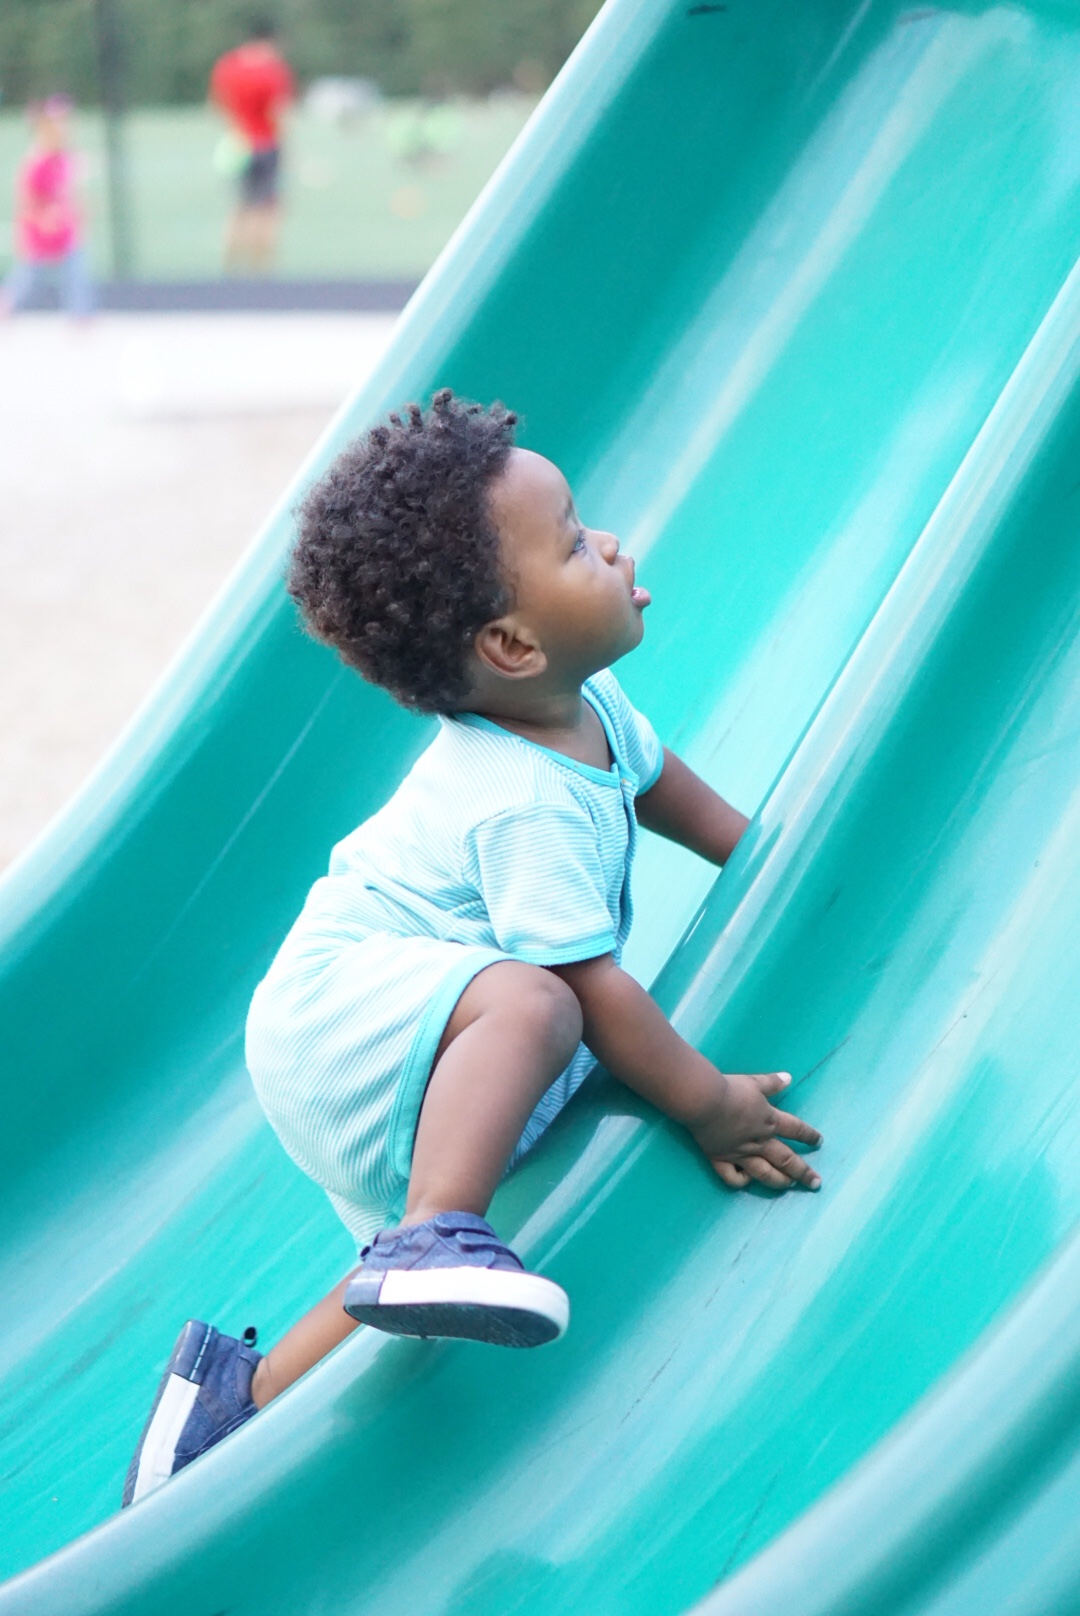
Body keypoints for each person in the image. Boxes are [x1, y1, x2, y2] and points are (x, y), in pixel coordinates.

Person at [122, 391, 823, 1506]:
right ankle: (432, 1234)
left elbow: (666, 791)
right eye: (575, 543)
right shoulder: (517, 799)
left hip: (424, 1039)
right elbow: (592, 990)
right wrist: (708, 1105)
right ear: (512, 644)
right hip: (337, 1018)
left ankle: (225, 1411)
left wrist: (803, 862)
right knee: (543, 1006)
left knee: (420, 1266)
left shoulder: (587, 704)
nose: (612, 544)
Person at [209, 17, 294, 273]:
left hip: (238, 146)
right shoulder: (273, 70)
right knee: (267, 211)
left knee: (240, 208)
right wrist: (288, 150)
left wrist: (236, 132)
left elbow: (217, 105)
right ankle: (261, 274)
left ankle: (230, 271)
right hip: (266, 145)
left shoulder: (227, 65)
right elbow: (278, 113)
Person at [0, 96, 93, 320]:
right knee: (29, 277)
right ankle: (6, 307)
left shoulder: (63, 158)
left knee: (75, 271)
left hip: (64, 228)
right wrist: (44, 217)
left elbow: (70, 190)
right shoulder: (37, 162)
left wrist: (77, 213)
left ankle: (81, 314)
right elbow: (28, 199)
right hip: (40, 230)